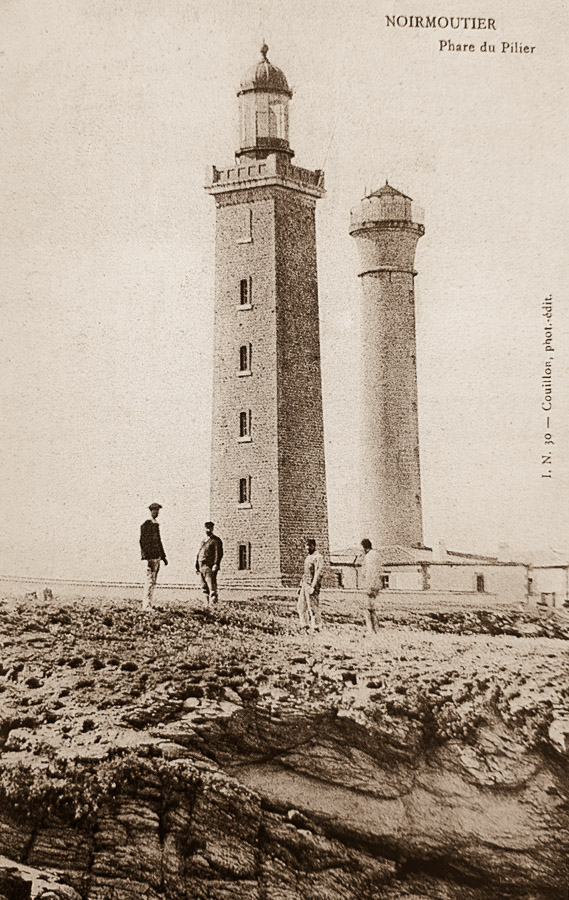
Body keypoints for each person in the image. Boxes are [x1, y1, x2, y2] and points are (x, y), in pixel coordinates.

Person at [140, 503, 168, 610]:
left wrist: (163, 557)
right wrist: (147, 556)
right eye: (155, 511)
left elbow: (159, 542)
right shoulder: (147, 525)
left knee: (153, 581)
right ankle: (146, 605)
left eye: (158, 511)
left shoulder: (156, 524)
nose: (156, 513)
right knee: (150, 580)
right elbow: (143, 541)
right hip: (151, 557)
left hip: (157, 557)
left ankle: (149, 604)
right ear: (151, 511)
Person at [297, 539, 325, 634]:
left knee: (312, 607)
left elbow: (318, 573)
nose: (307, 548)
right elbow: (305, 573)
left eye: (309, 546)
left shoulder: (318, 557)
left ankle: (316, 627)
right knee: (301, 606)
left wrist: (313, 586)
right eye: (306, 546)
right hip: (305, 584)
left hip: (311, 585)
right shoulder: (308, 557)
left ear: (314, 546)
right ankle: (304, 625)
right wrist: (301, 585)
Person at [196, 521, 224, 606]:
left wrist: (216, 564)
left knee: (211, 584)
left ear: (212, 529)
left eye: (209, 528)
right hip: (201, 566)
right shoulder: (203, 540)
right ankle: (206, 604)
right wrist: (197, 566)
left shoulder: (215, 540)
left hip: (209, 566)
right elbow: (199, 553)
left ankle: (213, 604)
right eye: (206, 528)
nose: (208, 530)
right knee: (203, 586)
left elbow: (218, 553)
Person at [359, 538, 383, 633]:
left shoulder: (368, 557)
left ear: (364, 547)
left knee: (367, 609)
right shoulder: (377, 555)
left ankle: (371, 630)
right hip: (376, 584)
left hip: (369, 584)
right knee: (373, 609)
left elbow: (367, 572)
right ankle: (376, 629)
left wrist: (368, 585)